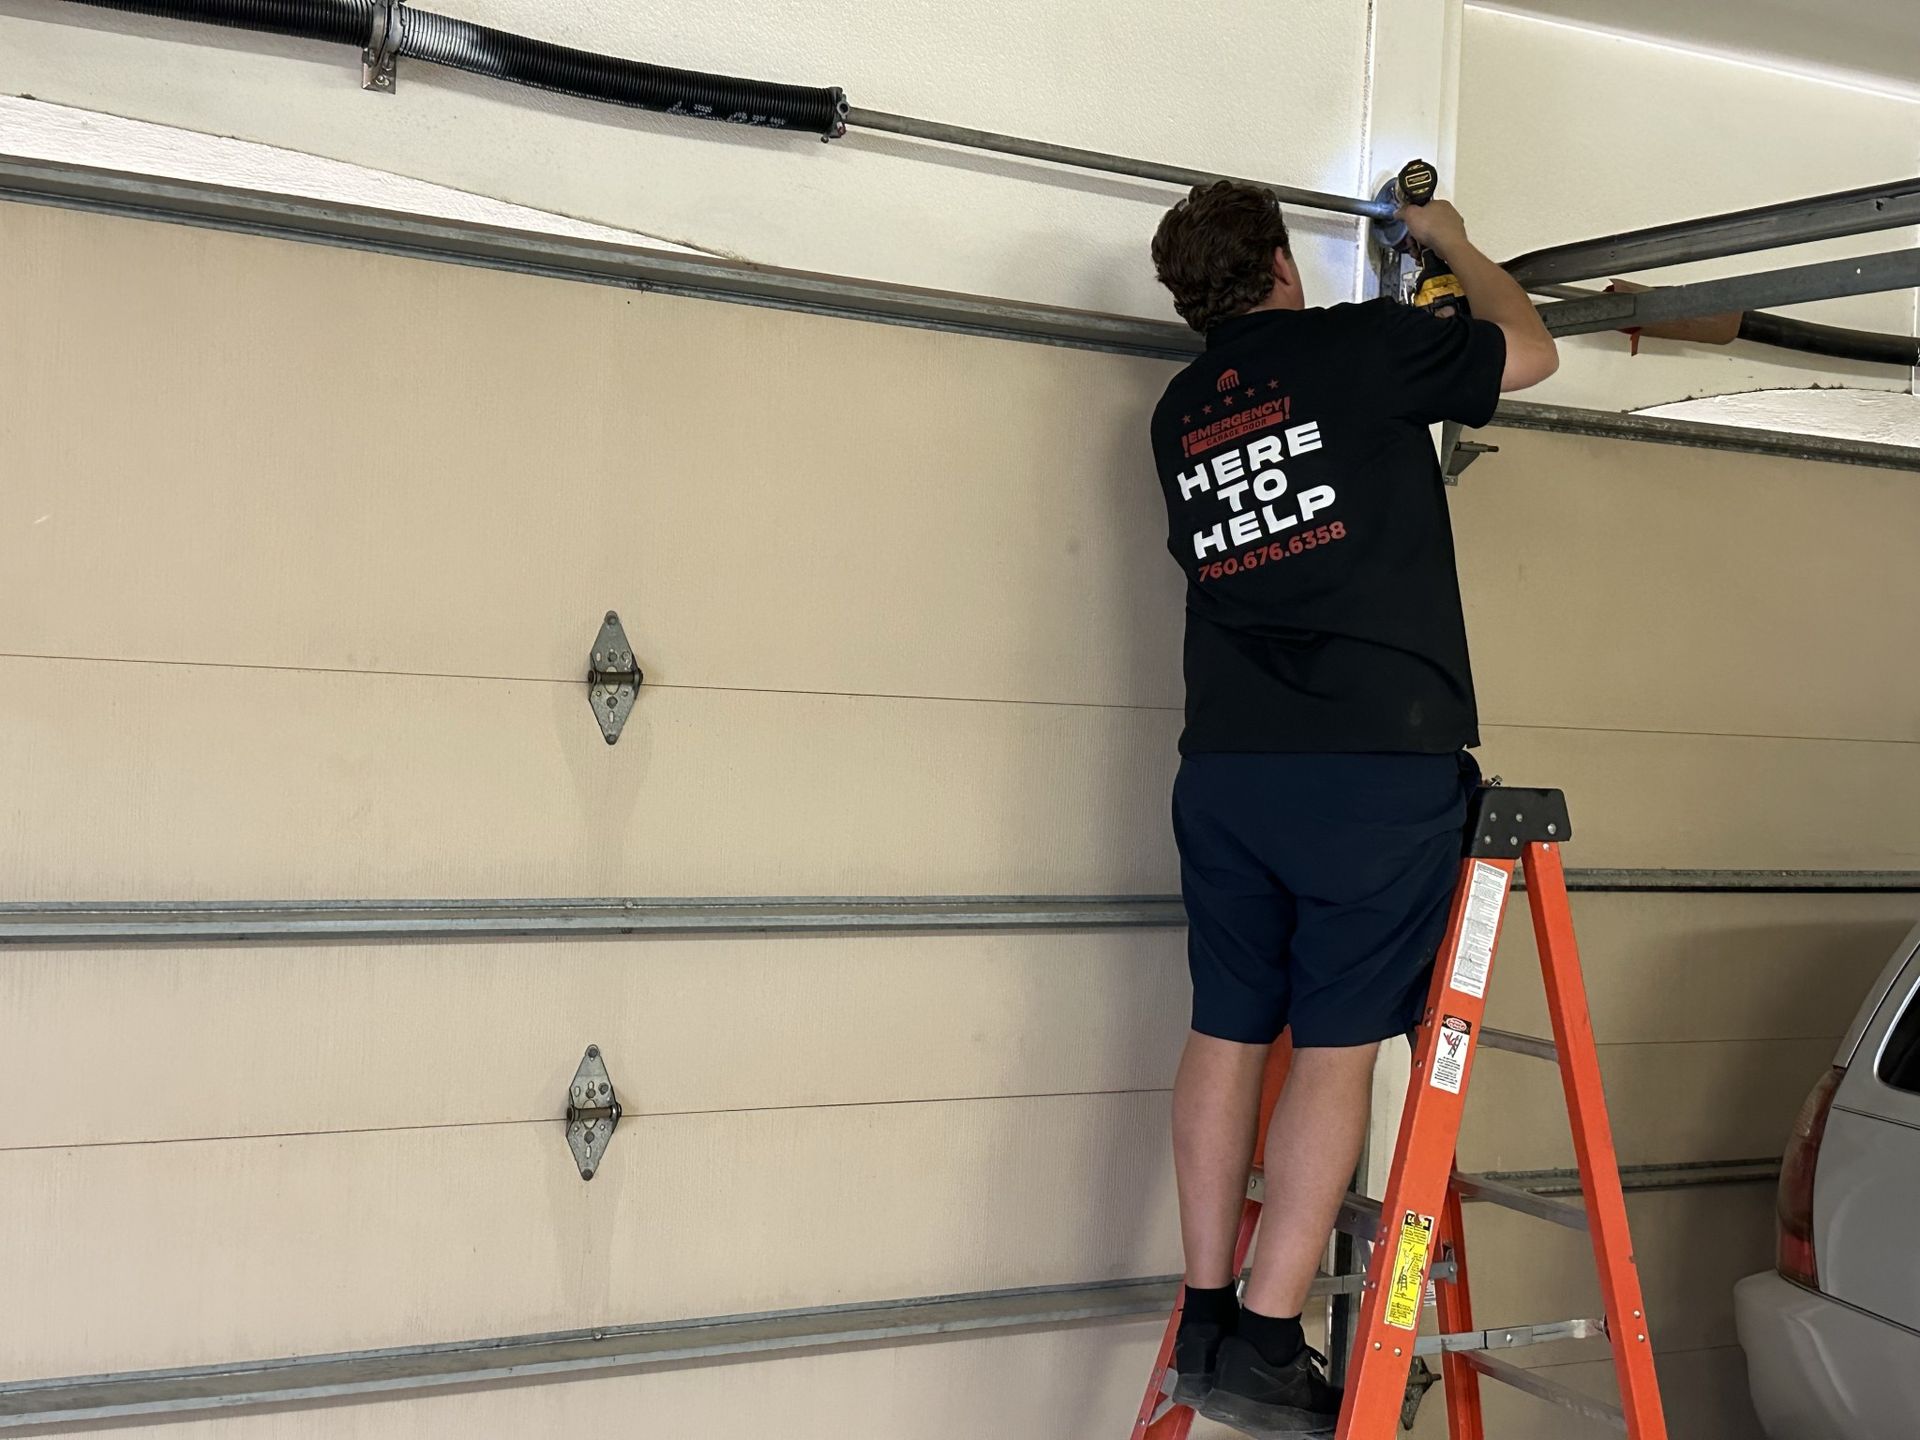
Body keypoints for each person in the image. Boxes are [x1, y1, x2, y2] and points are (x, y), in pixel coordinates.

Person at [1145, 180, 1559, 1438]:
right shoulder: (1361, 349)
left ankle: (1210, 1313)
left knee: (1227, 1027)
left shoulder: (1179, 413)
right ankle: (1272, 1341)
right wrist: (1453, 246)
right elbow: (1531, 351)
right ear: (1281, 260)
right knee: (1333, 1044)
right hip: (1369, 768)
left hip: (1225, 768)